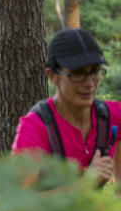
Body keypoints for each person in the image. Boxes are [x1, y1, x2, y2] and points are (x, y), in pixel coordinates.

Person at [12, 28, 121, 186]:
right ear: (52, 76)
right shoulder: (36, 128)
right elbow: (16, 207)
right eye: (77, 73)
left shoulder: (111, 117)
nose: (89, 83)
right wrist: (85, 184)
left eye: (95, 71)